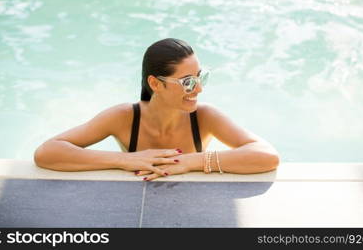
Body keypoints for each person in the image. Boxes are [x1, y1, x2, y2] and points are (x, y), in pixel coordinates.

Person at [34, 38, 280, 181]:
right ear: (155, 83)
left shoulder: (204, 117)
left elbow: (266, 156)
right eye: (187, 82)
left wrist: (191, 162)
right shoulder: (123, 117)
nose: (198, 90)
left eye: (200, 78)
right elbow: (47, 152)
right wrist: (124, 160)